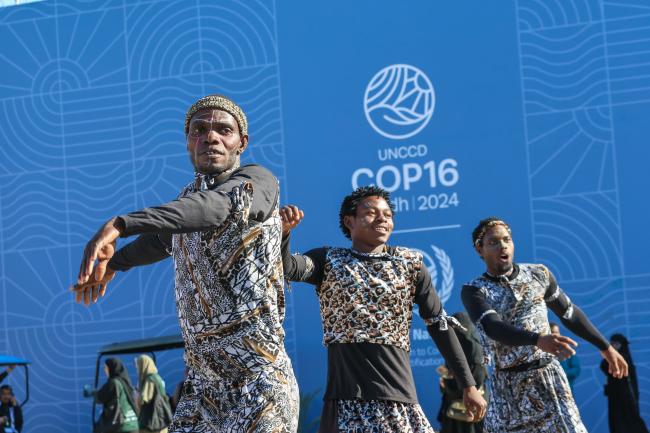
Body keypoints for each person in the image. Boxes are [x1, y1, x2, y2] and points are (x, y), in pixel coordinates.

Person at [71, 94, 298, 432]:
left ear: (241, 143)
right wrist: (115, 264)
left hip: (258, 381)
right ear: (188, 141)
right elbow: (161, 240)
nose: (211, 137)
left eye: (224, 130)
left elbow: (218, 207)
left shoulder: (258, 181)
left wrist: (121, 224)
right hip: (202, 390)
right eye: (199, 130)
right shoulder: (187, 199)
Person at [280, 186, 486, 433]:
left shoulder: (411, 265)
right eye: (370, 212)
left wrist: (469, 386)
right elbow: (289, 267)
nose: (382, 219)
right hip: (347, 400)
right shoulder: (328, 260)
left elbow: (440, 326)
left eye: (387, 215)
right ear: (349, 221)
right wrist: (282, 234)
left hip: (399, 399)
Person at [461, 217, 629, 433]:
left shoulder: (538, 274)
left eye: (507, 239)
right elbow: (494, 327)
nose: (503, 245)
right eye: (493, 242)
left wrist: (605, 347)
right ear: (479, 249)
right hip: (507, 391)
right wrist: (538, 339)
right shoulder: (474, 291)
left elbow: (569, 313)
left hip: (548, 381)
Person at [437, 312, 487, 433]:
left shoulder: (474, 354)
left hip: (469, 411)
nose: (453, 333)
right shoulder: (453, 350)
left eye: (456, 328)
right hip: (453, 411)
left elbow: (475, 385)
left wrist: (447, 384)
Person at [601, 333, 649, 433]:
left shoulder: (623, 357)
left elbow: (606, 365)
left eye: (615, 343)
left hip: (625, 396)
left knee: (628, 421)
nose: (612, 345)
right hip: (616, 396)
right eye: (611, 343)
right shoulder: (620, 356)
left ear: (621, 344)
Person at [93, 358, 139, 433]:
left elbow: (99, 398)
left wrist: (93, 393)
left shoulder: (113, 383)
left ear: (111, 368)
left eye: (106, 368)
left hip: (121, 426)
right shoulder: (125, 381)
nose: (105, 370)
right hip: (134, 425)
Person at [136, 355, 172, 433]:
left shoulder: (150, 379)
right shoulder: (157, 377)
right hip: (161, 423)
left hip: (152, 424)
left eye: (139, 366)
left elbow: (143, 400)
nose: (138, 370)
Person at [549, 322, 580, 390]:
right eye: (551, 332)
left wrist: (561, 374)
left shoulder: (567, 348)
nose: (554, 335)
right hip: (548, 390)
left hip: (566, 389)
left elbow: (576, 370)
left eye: (556, 332)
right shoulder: (541, 350)